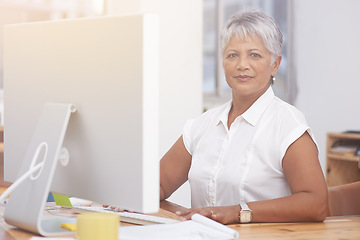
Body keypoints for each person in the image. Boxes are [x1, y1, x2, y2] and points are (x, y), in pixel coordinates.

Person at [159, 9, 328, 225]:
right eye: (232, 55)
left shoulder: (288, 124)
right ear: (223, 63)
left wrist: (238, 212)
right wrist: (127, 199)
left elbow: (316, 203)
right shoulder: (201, 125)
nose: (242, 65)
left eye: (254, 55)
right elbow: (159, 184)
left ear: (274, 64)